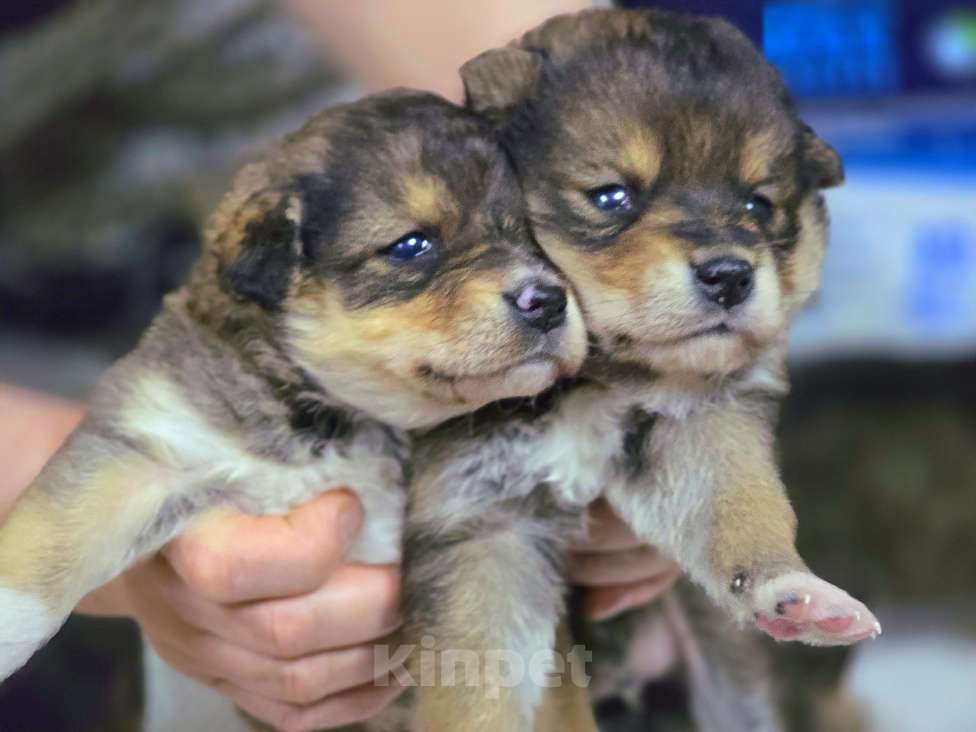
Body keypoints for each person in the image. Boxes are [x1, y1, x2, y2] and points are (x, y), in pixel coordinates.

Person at [1, 2, 680, 729]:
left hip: (317, 137)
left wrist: (654, 346)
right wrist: (126, 541)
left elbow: (551, 85)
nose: (533, 287)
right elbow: (113, 476)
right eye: (415, 250)